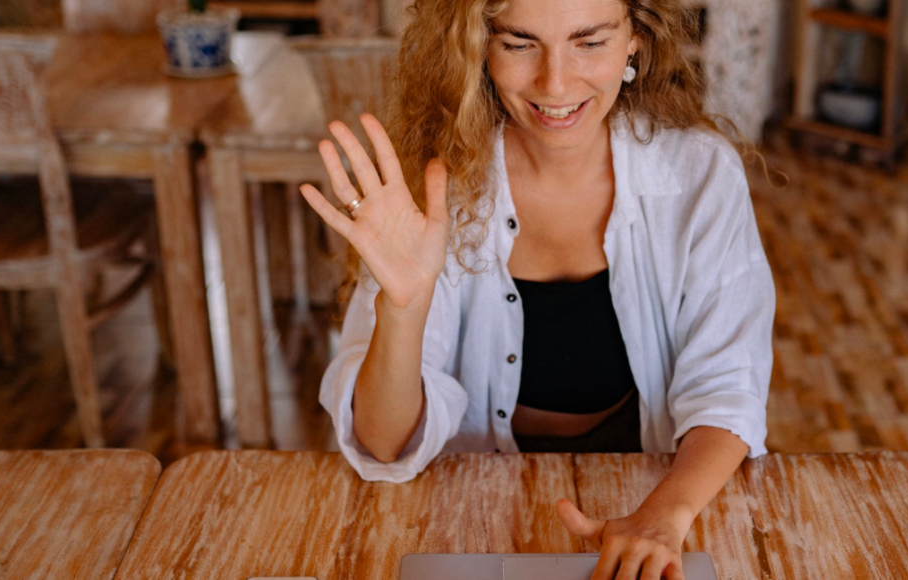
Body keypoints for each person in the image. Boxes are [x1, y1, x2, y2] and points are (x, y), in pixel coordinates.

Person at [299, 0, 776, 578]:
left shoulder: (701, 176)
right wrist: (403, 308)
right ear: (479, 47)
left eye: (590, 42)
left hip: (655, 499)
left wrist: (663, 515)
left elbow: (728, 387)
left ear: (636, 43)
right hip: (465, 517)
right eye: (520, 43)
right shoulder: (432, 189)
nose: (555, 82)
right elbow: (381, 442)